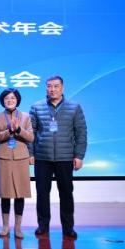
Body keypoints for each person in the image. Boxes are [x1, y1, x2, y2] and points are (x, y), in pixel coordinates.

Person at [29, 75, 87, 239]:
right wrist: (30, 153)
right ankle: (43, 225)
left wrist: (79, 155)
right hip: (42, 158)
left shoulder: (74, 107)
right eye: (49, 86)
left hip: (65, 157)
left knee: (66, 193)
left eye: (56, 86)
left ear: (62, 88)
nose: (52, 89)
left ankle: (68, 227)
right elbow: (31, 133)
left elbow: (81, 133)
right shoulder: (37, 107)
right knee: (42, 193)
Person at [0, 88, 34, 239]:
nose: (10, 101)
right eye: (7, 98)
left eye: (13, 98)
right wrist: (9, 131)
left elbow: (31, 137)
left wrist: (19, 129)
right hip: (3, 158)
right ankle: (5, 226)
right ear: (3, 101)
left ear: (17, 100)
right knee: (5, 193)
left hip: (21, 158)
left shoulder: (26, 117)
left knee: (20, 193)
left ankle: (18, 227)